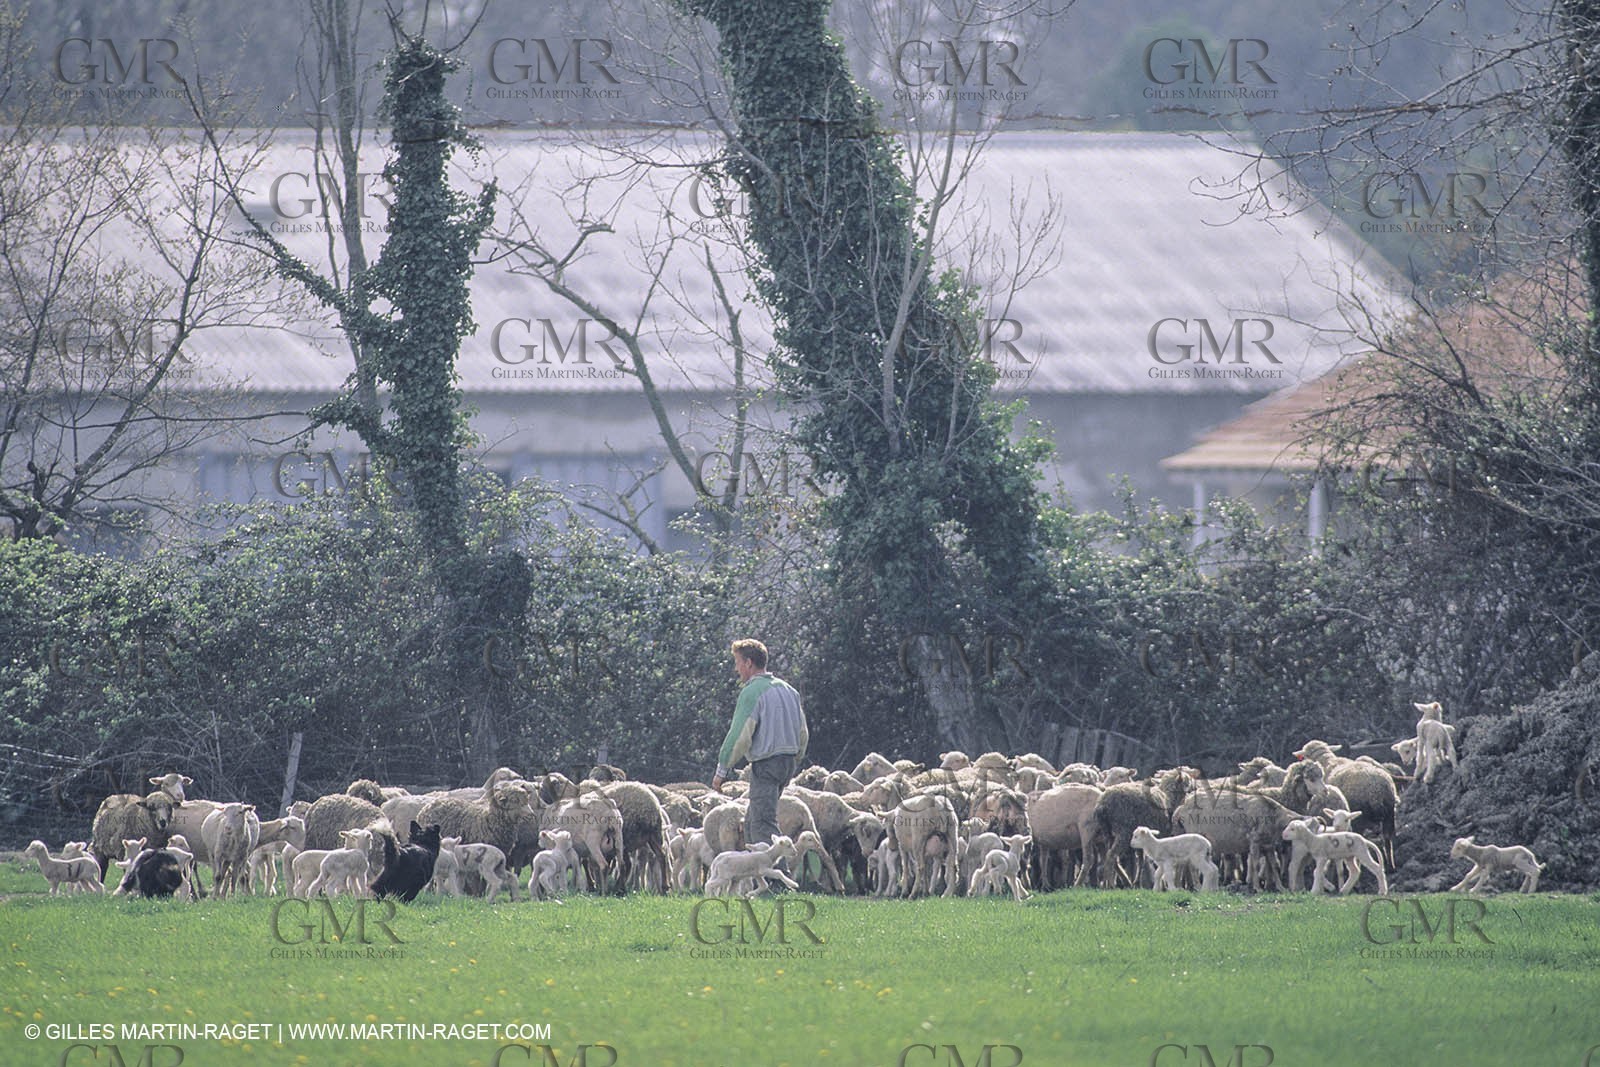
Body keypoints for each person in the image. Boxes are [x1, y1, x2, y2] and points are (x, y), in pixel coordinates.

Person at [711, 638, 807, 848]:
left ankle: (778, 879)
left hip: (766, 766)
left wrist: (721, 770)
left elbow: (739, 735)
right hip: (788, 763)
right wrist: (794, 761)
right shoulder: (790, 691)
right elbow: (803, 733)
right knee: (752, 824)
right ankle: (759, 879)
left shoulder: (751, 692)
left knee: (763, 825)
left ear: (748, 663)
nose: (736, 669)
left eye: (737, 662)